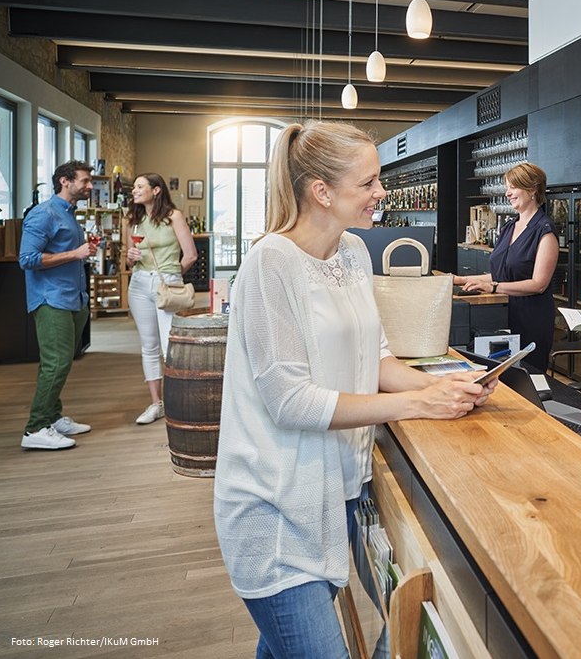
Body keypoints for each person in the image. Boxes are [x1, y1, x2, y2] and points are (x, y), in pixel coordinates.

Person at [214, 121, 495, 659]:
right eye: (368, 183)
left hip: (341, 490)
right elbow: (290, 400)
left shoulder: (353, 255)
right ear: (322, 191)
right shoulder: (270, 263)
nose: (381, 193)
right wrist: (418, 403)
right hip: (275, 509)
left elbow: (378, 359)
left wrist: (447, 384)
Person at [18, 161, 97, 450]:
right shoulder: (43, 214)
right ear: (65, 181)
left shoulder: (68, 215)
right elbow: (27, 259)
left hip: (72, 299)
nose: (90, 186)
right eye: (85, 181)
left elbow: (68, 255)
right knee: (56, 364)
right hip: (51, 300)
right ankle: (35, 428)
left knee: (60, 364)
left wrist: (81, 252)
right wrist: (75, 253)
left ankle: (52, 416)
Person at [455, 162, 558, 371]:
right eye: (507, 187)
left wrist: (494, 287)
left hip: (530, 318)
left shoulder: (545, 231)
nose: (507, 193)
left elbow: (539, 284)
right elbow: (501, 273)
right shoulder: (509, 226)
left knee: (528, 378)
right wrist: (463, 280)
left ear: (532, 190)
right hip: (501, 314)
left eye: (513, 187)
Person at [124, 173, 198, 425]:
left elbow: (190, 255)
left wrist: (170, 277)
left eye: (140, 186)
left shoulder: (173, 217)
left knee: (170, 345)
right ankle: (156, 404)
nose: (134, 190)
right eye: (134, 187)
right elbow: (127, 259)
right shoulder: (132, 220)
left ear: (156, 190)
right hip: (138, 284)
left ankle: (178, 401)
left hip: (166, 282)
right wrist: (130, 257)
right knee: (148, 345)